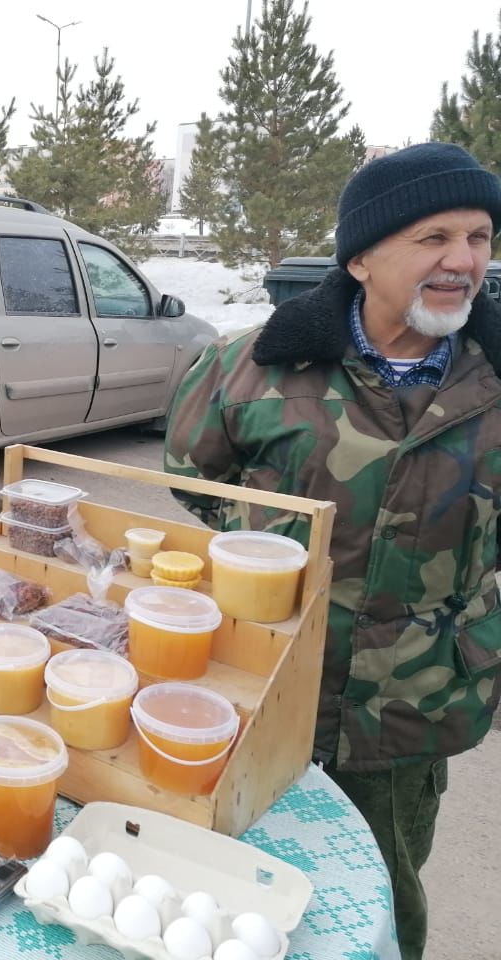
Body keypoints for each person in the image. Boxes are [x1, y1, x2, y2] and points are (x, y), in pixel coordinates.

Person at [165, 142, 501, 960]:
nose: (464, 261)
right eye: (434, 239)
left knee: (378, 891)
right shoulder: (254, 364)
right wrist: (267, 547)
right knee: (224, 879)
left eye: (481, 237)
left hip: (407, 705)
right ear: (361, 257)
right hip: (260, 675)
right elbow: (189, 469)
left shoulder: (494, 375)